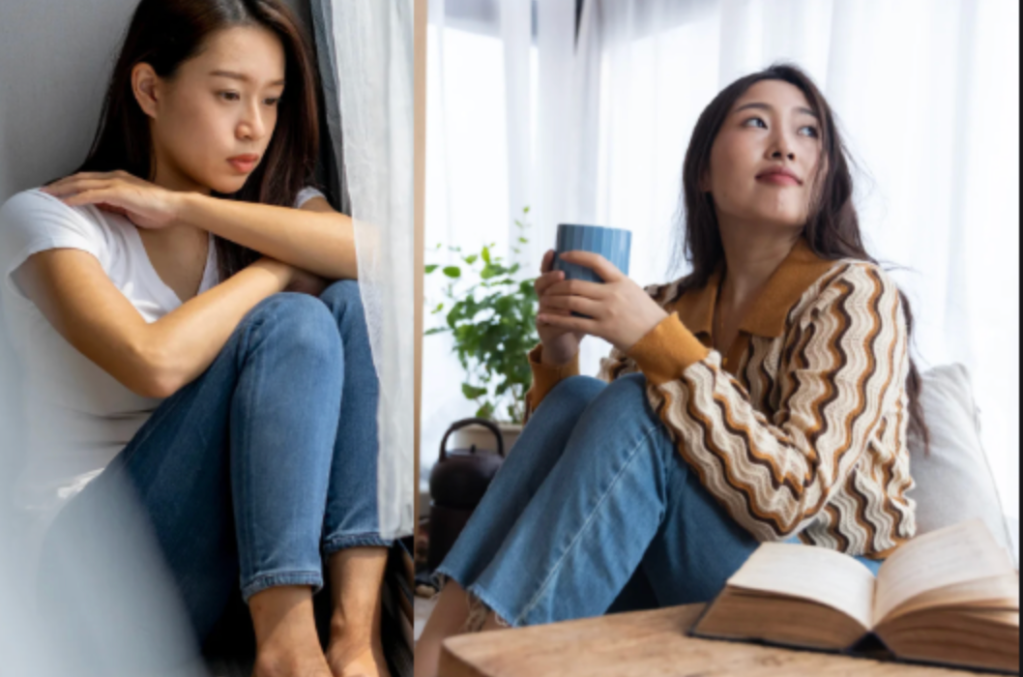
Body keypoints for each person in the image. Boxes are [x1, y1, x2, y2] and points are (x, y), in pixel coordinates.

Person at [414, 63, 927, 676]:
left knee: (637, 400)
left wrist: (658, 342)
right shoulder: (668, 304)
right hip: (688, 570)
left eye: (809, 132)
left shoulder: (853, 293)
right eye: (756, 122)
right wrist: (558, 354)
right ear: (704, 172)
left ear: (825, 175)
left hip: (823, 590)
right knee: (582, 397)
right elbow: (588, 488)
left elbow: (792, 499)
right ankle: (436, 649)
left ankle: (482, 658)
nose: (785, 144)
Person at [0, 1, 392, 676]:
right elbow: (152, 362)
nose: (254, 127)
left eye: (271, 101)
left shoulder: (270, 208)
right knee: (296, 318)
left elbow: (379, 256)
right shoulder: (52, 219)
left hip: (231, 556)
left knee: (355, 303)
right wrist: (277, 270)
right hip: (87, 572)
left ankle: (354, 640)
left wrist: (187, 205)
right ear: (150, 89)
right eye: (228, 95)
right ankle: (288, 650)